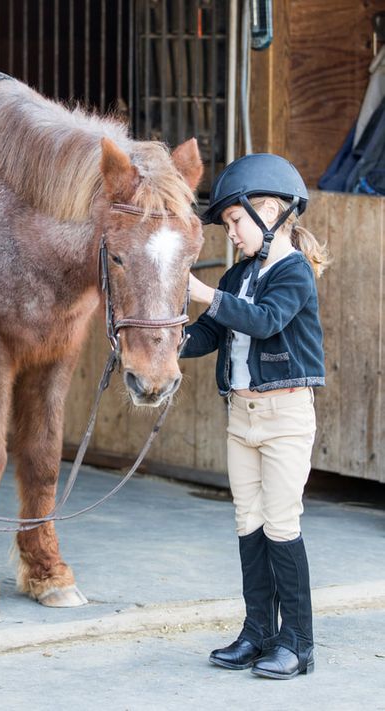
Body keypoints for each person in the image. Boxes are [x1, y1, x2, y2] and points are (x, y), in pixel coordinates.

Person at [181, 153, 329, 680]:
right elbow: (210, 332)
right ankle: (259, 632)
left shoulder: (293, 273)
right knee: (249, 523)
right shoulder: (240, 274)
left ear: (268, 210)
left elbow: (265, 322)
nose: (232, 234)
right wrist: (166, 338)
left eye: (236, 221)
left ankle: (299, 642)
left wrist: (203, 292)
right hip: (241, 417)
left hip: (285, 416)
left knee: (282, 525)